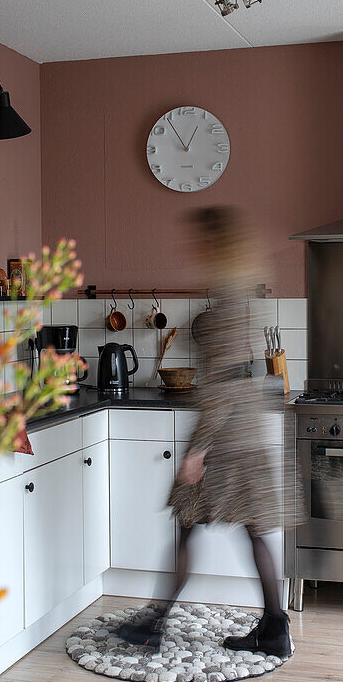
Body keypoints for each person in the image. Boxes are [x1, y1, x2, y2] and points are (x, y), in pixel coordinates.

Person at [116, 205, 292, 658]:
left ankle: (155, 624)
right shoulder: (238, 295)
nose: (191, 249)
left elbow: (226, 382)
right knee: (249, 531)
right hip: (243, 433)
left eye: (198, 242)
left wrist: (198, 451)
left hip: (226, 440)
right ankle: (274, 627)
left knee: (188, 526)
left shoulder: (229, 303)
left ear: (215, 245)